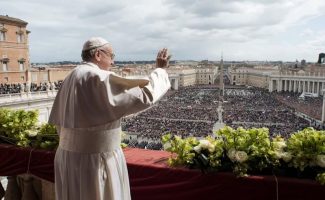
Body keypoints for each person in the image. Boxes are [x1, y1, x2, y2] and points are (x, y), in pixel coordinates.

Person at [49, 37, 171, 200]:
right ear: (98, 54)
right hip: (96, 160)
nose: (113, 62)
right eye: (112, 56)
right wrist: (160, 70)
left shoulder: (71, 76)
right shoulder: (96, 77)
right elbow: (144, 96)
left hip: (67, 158)